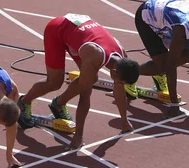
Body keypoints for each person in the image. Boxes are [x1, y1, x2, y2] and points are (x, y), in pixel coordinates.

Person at [17, 14, 140, 150]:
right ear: (115, 72)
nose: (120, 86)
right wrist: (78, 135)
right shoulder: (95, 56)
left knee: (92, 78)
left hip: (78, 33)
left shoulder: (122, 58)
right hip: (57, 30)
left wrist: (124, 120)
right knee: (55, 82)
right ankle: (24, 102)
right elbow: (84, 97)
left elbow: (119, 90)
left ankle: (58, 104)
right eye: (121, 82)